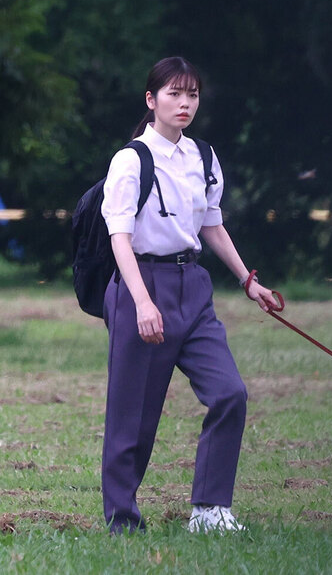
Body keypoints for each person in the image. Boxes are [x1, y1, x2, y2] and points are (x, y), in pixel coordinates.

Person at [100, 56, 277, 535]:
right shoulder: (130, 160)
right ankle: (123, 521)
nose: (184, 103)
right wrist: (141, 302)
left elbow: (210, 225)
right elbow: (119, 238)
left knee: (230, 393)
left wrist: (247, 280)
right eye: (174, 94)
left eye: (192, 94)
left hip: (193, 289)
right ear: (151, 100)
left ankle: (210, 510)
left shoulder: (203, 156)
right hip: (142, 285)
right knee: (131, 420)